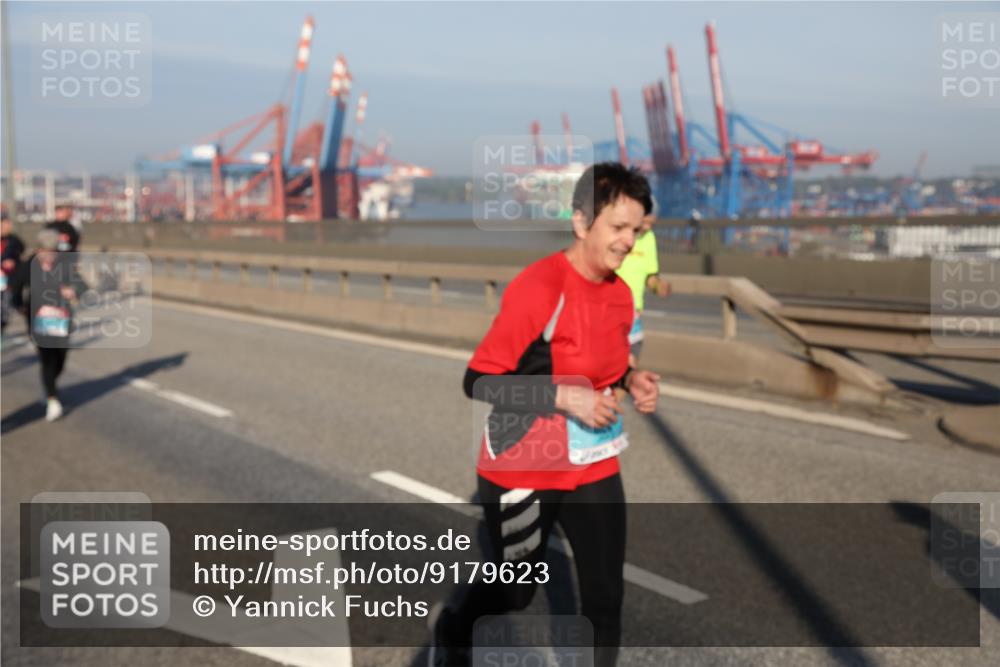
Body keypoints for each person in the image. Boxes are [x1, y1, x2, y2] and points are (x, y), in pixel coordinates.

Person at [431, 163, 662, 667]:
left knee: (605, 596)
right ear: (582, 223)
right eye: (618, 228)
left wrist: (631, 379)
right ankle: (454, 630)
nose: (629, 242)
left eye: (637, 230)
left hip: (593, 457)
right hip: (523, 461)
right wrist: (565, 397)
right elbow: (478, 381)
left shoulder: (621, 294)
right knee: (516, 592)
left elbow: (611, 363)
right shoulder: (540, 286)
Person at [8, 229, 88, 421]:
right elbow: (16, 291)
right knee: (47, 358)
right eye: (47, 251)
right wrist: (20, 306)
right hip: (38, 319)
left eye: (54, 251)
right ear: (39, 250)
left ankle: (49, 385)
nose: (50, 255)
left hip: (61, 319)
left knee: (60, 358)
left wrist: (73, 291)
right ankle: (52, 399)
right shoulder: (28, 266)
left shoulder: (63, 265)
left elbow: (83, 286)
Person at [615, 207, 670, 363]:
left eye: (651, 224)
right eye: (644, 222)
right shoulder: (617, 235)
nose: (647, 227)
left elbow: (650, 276)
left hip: (634, 312)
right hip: (611, 309)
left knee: (632, 360)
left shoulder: (649, 238)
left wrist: (658, 286)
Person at [1, 211, 26, 335]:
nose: (7, 227)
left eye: (8, 224)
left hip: (8, 281)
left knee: (4, 314)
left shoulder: (14, 240)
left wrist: (12, 261)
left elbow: (21, 249)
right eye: (4, 224)